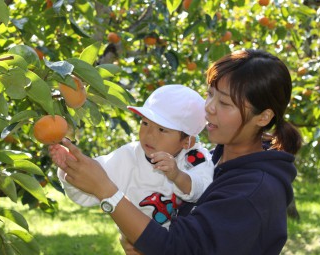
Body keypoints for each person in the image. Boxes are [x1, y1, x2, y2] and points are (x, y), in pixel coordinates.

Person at [54, 49, 302, 255]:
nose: (210, 108)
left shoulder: (254, 191)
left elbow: (178, 248)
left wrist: (106, 190)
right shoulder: (211, 159)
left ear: (264, 116)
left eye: (225, 103)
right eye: (210, 94)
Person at [49, 84, 214, 232]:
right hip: (142, 241)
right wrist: (69, 168)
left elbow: (203, 189)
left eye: (162, 130)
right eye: (145, 123)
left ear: (187, 141)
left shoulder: (195, 158)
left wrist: (178, 176)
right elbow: (90, 186)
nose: (149, 134)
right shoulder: (128, 157)